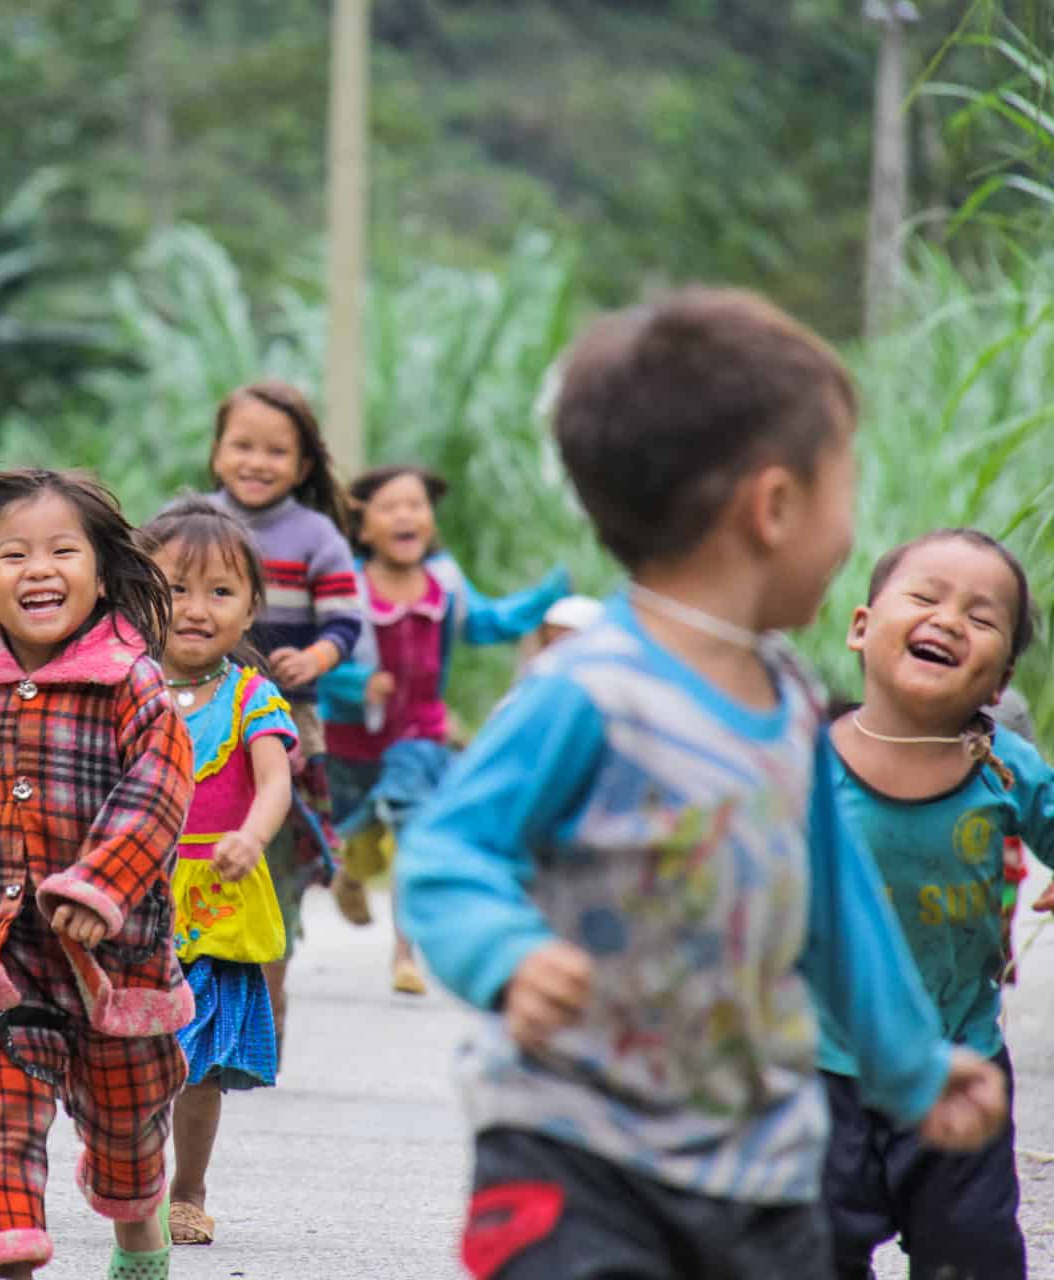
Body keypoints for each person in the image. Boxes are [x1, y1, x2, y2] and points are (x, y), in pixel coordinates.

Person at [398, 288, 1008, 1280]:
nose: (853, 527)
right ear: (772, 507)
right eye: (844, 490)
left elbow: (840, 910)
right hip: (573, 1151)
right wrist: (504, 950)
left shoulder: (792, 705)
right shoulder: (589, 692)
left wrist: (912, 1065)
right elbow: (447, 851)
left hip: (759, 1167)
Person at [0, 469, 192, 1280]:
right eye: (12, 554)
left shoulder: (133, 681)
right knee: (5, 1106)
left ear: (102, 572)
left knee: (127, 1124)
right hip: (3, 949)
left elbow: (160, 787)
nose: (38, 569)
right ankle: (5, 1251)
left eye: (61, 551)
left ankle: (139, 1236)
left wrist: (99, 884)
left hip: (117, 960)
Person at [819, 529, 1053, 1280]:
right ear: (861, 628)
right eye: (924, 597)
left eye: (982, 618)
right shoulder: (799, 761)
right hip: (818, 1069)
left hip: (958, 1067)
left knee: (975, 1255)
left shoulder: (1004, 767)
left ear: (999, 683)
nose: (950, 619)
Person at [318, 464, 567, 993]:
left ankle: (405, 955)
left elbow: (486, 622)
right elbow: (327, 658)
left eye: (416, 506)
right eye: (391, 507)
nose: (407, 515)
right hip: (355, 744)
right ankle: (352, 872)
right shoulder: (352, 589)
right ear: (362, 528)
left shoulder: (445, 584)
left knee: (415, 835)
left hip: (422, 738)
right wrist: (358, 683)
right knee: (358, 832)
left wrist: (542, 601)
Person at [136, 499, 295, 1248]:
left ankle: (188, 1187)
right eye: (175, 589)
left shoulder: (251, 697)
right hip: (133, 895)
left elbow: (274, 783)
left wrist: (253, 836)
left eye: (220, 592)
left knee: (195, 1062)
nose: (197, 610)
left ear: (251, 607)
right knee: (128, 1051)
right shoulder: (121, 689)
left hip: (218, 903)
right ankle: (128, 1173)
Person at [203, 379, 362, 1052]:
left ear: (301, 467)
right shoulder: (195, 524)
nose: (257, 462)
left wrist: (318, 658)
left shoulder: (317, 534)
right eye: (243, 445)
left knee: (278, 865)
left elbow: (346, 620)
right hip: (203, 715)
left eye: (277, 451)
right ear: (217, 453)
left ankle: (270, 991)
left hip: (289, 723)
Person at [993, 686, 1039, 986]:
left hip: (1001, 828)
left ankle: (1000, 946)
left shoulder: (1011, 705)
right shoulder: (1013, 703)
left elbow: (1029, 770)